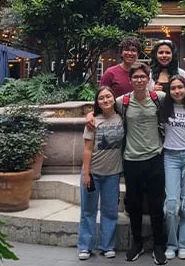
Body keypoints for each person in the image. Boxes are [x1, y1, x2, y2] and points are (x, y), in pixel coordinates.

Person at [118, 62, 167, 264]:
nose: (139, 80)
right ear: (130, 80)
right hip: (132, 159)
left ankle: (158, 245)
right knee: (135, 205)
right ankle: (136, 243)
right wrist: (89, 116)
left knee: (156, 204)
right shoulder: (123, 101)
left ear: (149, 79)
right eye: (135, 77)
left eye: (142, 77)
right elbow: (101, 109)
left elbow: (183, 102)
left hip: (155, 157)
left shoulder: (159, 98)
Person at [77, 87, 123, 261]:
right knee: (88, 211)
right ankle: (85, 246)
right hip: (93, 173)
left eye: (108, 96)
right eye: (101, 98)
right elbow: (87, 149)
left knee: (110, 211)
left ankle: (107, 245)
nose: (105, 100)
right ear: (97, 102)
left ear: (114, 98)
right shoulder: (93, 122)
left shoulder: (121, 118)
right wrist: (86, 173)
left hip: (112, 174)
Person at [161, 76, 185, 260]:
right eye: (173, 88)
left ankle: (184, 244)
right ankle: (171, 243)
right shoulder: (163, 107)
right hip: (170, 156)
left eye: (180, 87)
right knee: (171, 204)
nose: (177, 91)